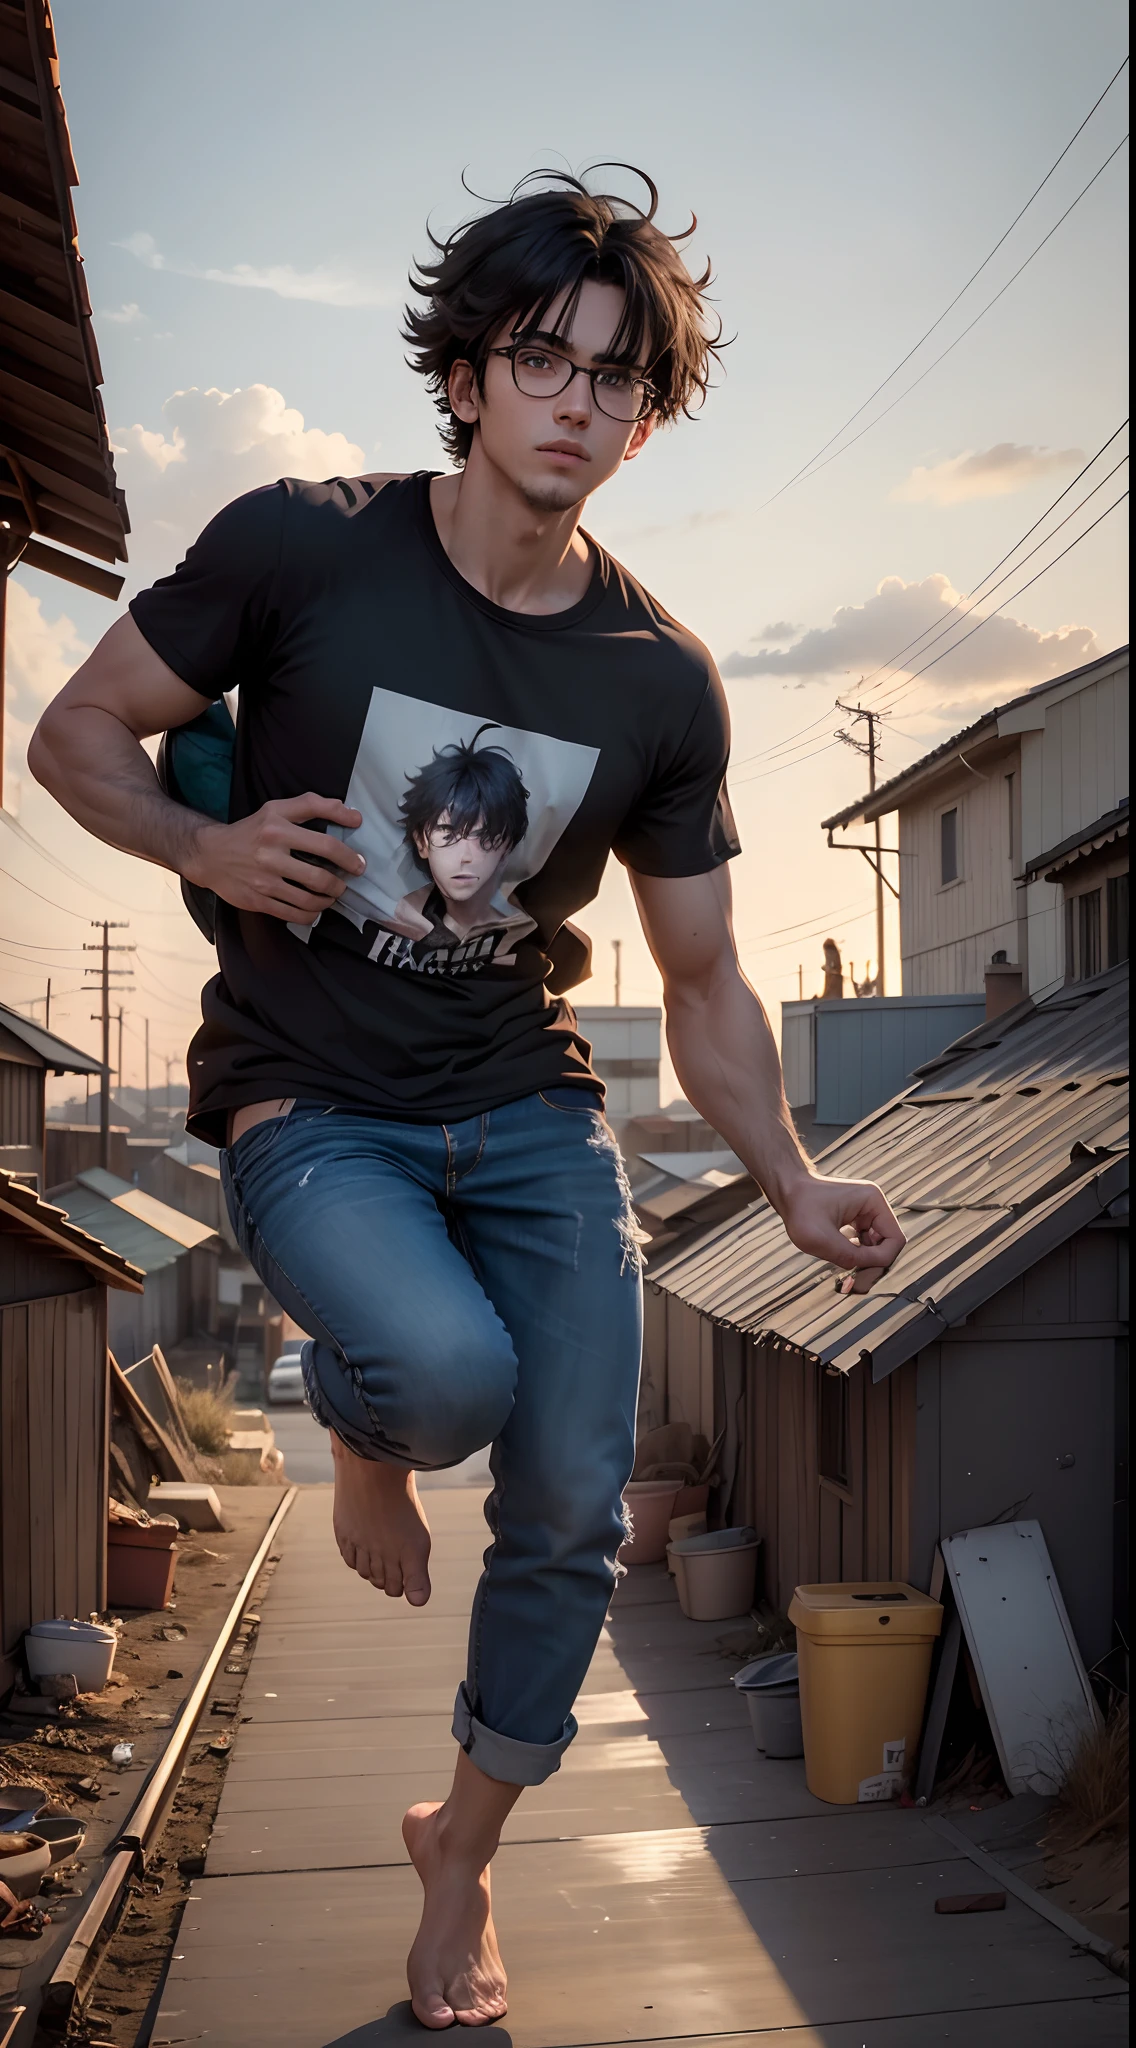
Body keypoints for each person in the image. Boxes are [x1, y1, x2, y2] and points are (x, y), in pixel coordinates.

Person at [30, 167, 905, 2030]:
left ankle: (463, 1849)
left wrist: (796, 1176)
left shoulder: (658, 680)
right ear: (467, 372)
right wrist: (210, 835)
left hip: (524, 1102)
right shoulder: (303, 546)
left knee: (575, 1492)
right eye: (539, 358)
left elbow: (704, 978)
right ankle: (364, 1426)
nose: (575, 401)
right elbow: (76, 733)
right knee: (444, 1382)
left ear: (647, 413)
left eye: (614, 377)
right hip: (307, 1103)